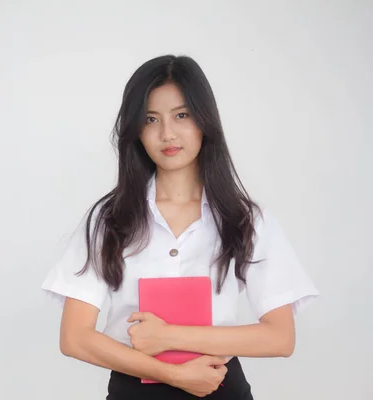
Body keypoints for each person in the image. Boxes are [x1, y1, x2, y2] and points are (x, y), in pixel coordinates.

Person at [40, 54, 319, 399]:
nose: (167, 133)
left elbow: (280, 338)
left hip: (219, 385)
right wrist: (171, 374)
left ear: (204, 121)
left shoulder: (245, 218)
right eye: (151, 119)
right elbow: (75, 338)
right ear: (136, 131)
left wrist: (170, 336)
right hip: (134, 387)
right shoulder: (110, 218)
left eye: (181, 115)